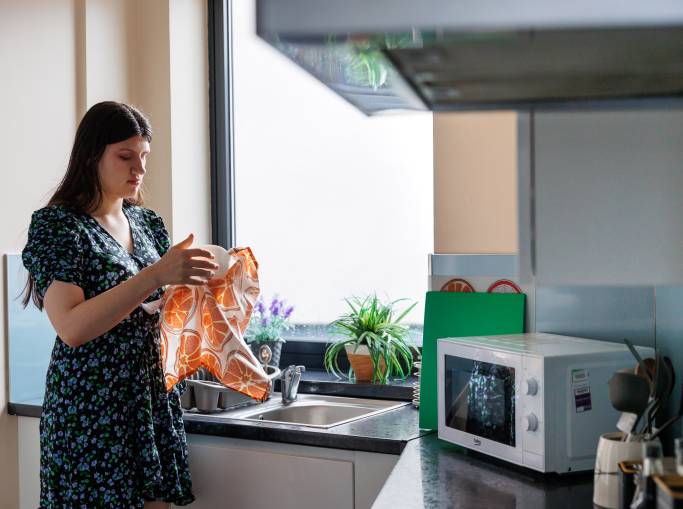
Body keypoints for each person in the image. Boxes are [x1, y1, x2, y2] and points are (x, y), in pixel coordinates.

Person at [21, 101, 219, 508]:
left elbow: (162, 308)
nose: (139, 169)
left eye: (144, 157)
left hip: (148, 401)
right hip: (91, 408)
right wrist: (155, 276)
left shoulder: (147, 224)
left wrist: (196, 295)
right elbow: (72, 328)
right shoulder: (59, 225)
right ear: (92, 155)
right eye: (125, 156)